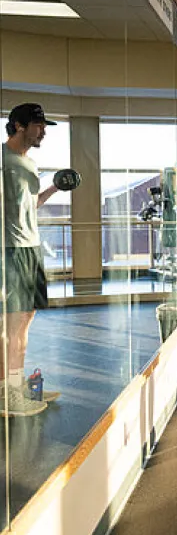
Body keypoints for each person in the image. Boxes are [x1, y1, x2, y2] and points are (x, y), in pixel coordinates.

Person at [1, 103, 61, 416]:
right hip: (9, 249)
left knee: (26, 319)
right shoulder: (2, 160)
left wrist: (54, 187)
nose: (44, 131)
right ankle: (7, 393)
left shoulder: (30, 163)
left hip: (30, 246)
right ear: (19, 126)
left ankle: (16, 383)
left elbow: (31, 205)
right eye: (39, 125)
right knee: (11, 323)